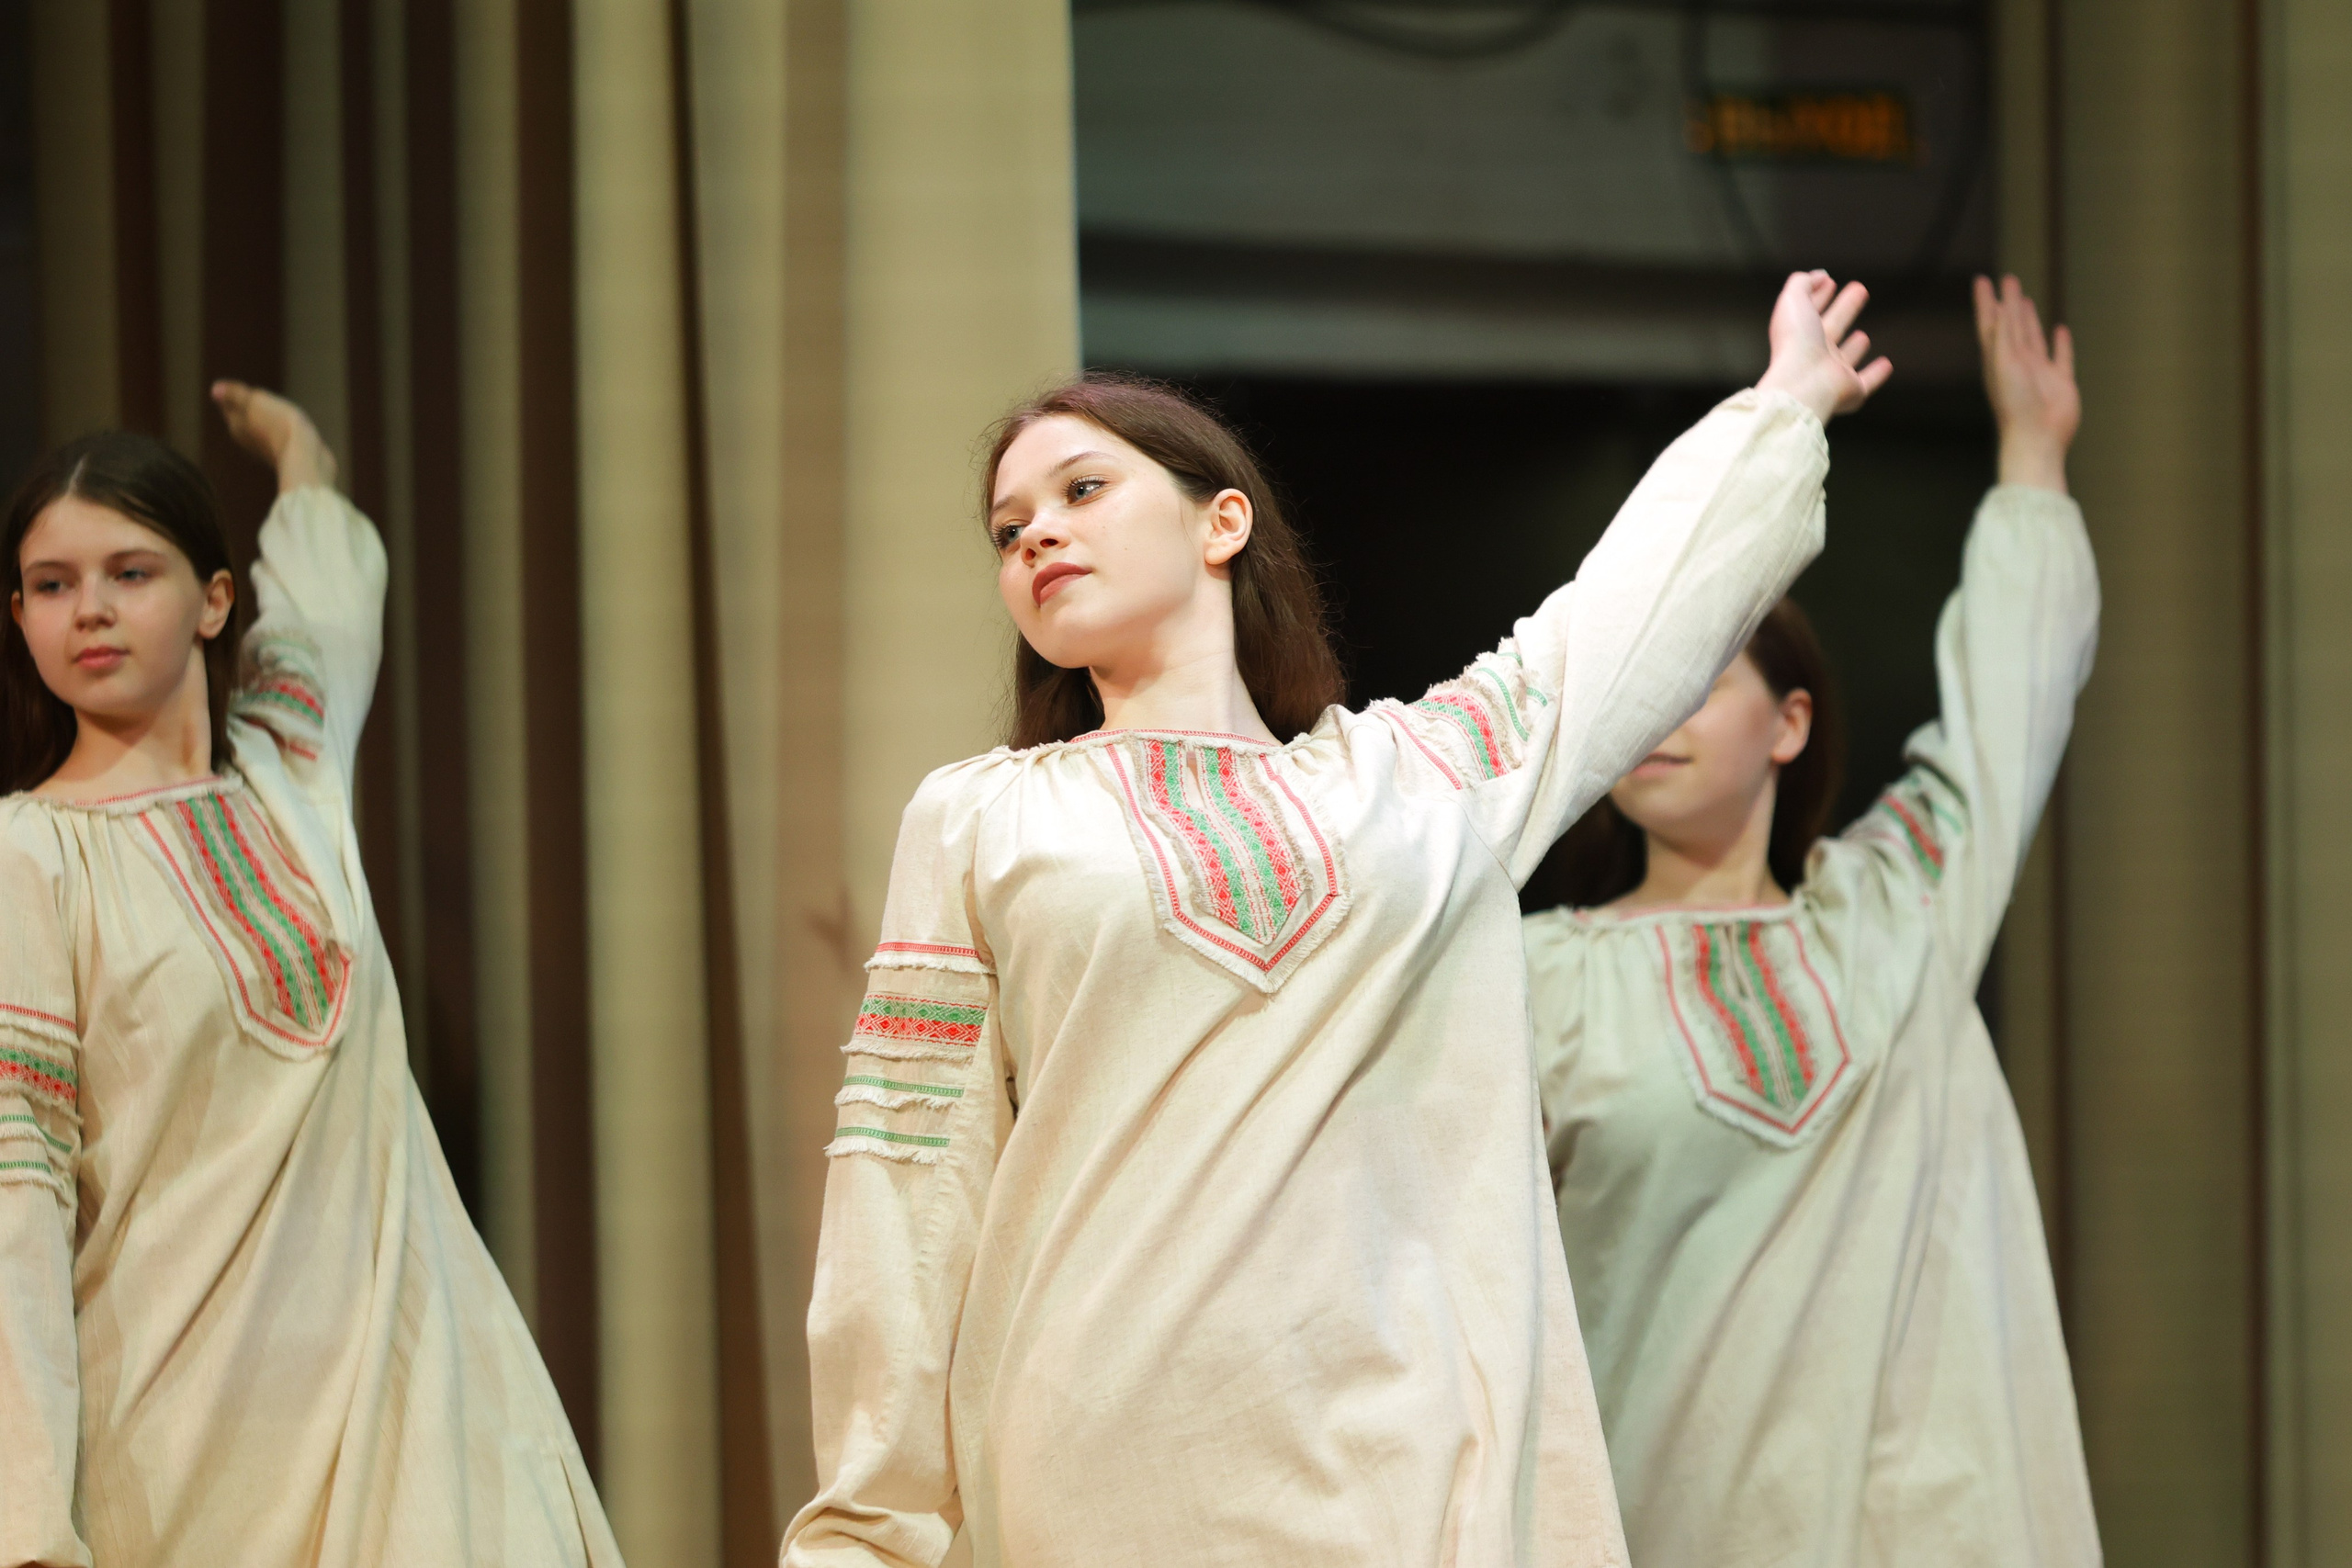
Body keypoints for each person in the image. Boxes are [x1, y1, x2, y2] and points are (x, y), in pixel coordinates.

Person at [781, 271, 1890, 1567]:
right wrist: (868, 1525)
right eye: (1006, 524)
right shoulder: (980, 817)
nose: (1034, 534)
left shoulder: (1419, 783)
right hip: (1100, 1454)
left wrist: (1784, 406)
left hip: (1400, 1455)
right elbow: (908, 1181)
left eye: (1082, 490)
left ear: (1222, 522)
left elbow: (1619, 621)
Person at [1521, 276, 2099, 1565]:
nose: (1660, 709)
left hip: (1931, 1522)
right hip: (1663, 1514)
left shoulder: (1896, 907)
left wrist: (2032, 457)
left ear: (1789, 722)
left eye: (1703, 676)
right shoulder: (1531, 974)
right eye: (1647, 679)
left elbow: (2009, 703)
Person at [0, 386, 622, 1567]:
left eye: (132, 572)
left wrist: (300, 457)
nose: (89, 610)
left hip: (416, 1406)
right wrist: (26, 1523)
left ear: (214, 600)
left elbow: (333, 602)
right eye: (51, 583)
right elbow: (12, 1201)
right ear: (18, 617)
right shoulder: (26, 857)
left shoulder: (288, 766)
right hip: (185, 1442)